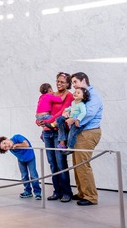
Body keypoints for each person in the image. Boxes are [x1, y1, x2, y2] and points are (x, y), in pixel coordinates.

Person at [36, 72, 74, 202]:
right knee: (52, 163)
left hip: (59, 132)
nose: (59, 84)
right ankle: (56, 191)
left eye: (62, 82)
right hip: (47, 132)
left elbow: (62, 112)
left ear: (68, 84)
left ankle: (66, 192)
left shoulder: (68, 95)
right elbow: (42, 109)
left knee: (61, 163)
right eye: (57, 81)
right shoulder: (51, 94)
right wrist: (39, 121)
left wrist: (49, 121)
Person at [69, 72, 103, 206]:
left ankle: (91, 196)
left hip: (89, 132)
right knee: (77, 164)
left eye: (75, 82)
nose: (73, 85)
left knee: (83, 164)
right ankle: (82, 192)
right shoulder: (81, 95)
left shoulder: (93, 95)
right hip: (81, 132)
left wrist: (74, 120)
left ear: (83, 80)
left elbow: (89, 113)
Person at [0, 134, 42, 200]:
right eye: (5, 147)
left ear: (5, 138)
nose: (7, 145)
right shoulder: (10, 149)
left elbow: (26, 144)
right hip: (21, 160)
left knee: (33, 175)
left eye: (4, 143)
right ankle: (27, 191)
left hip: (30, 158)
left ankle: (37, 193)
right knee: (24, 176)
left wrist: (16, 145)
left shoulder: (17, 137)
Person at [44, 87, 90, 156]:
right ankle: (53, 125)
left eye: (78, 93)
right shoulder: (73, 102)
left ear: (83, 97)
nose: (75, 93)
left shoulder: (81, 105)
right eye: (75, 92)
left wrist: (78, 119)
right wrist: (66, 110)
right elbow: (71, 108)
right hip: (70, 117)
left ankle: (70, 148)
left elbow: (83, 113)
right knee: (61, 118)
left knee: (72, 134)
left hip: (76, 121)